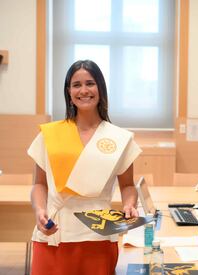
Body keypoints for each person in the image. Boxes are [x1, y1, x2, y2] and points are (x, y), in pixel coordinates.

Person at [28, 60, 142, 275]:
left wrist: (129, 204)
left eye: (90, 83)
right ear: (68, 91)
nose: (83, 90)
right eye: (76, 85)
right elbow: (39, 184)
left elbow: (127, 185)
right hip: (53, 233)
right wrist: (39, 210)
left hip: (97, 235)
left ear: (100, 88)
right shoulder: (49, 134)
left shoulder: (118, 138)